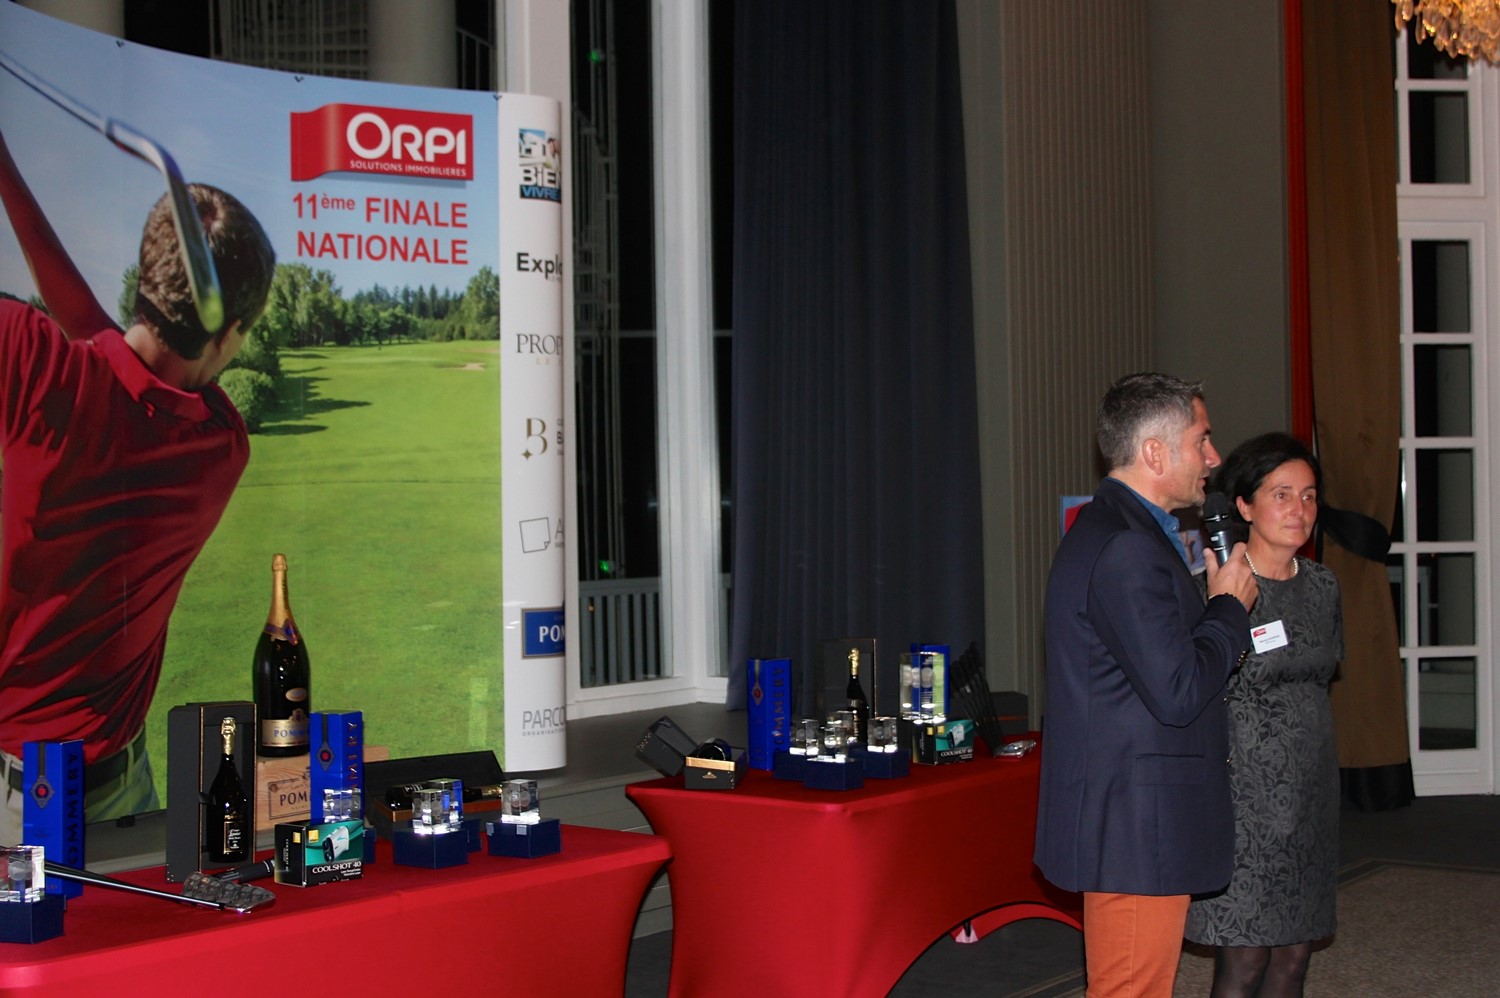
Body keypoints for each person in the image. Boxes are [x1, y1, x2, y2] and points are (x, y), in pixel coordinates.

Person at [0, 128, 275, 843]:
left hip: (15, 798)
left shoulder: (36, 367)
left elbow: (97, 341)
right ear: (226, 333)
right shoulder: (221, 446)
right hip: (123, 784)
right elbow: (101, 345)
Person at [1036, 372, 1259, 997]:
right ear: (1155, 453)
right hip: (1137, 825)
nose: (1213, 457)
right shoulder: (1127, 546)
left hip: (1134, 817)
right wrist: (1228, 608)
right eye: (1201, 440)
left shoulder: (1120, 530)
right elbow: (1179, 690)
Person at [1184, 432, 1343, 997]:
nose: (1300, 509)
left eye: (1309, 496)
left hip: (1310, 791)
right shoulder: (1214, 590)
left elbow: (1325, 676)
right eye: (1282, 495)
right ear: (1244, 506)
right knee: (1246, 959)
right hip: (1242, 800)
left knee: (1294, 957)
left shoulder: (1323, 586)